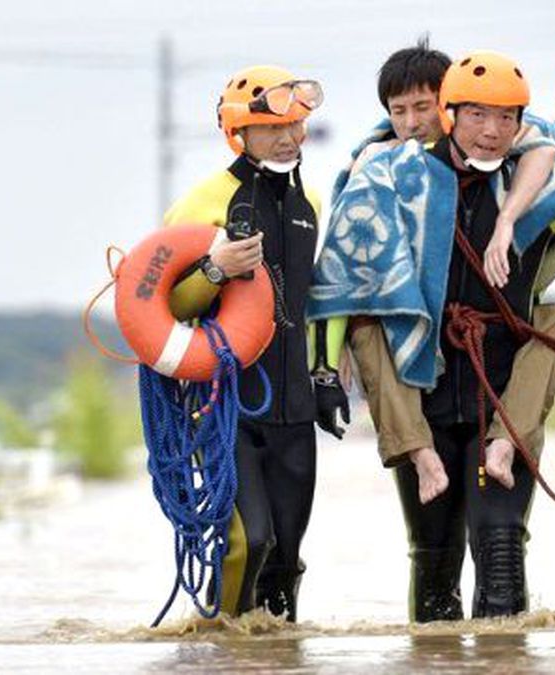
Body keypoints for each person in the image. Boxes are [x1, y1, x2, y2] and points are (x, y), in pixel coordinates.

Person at [307, 50, 555, 621]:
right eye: (476, 117)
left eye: (503, 118)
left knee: (501, 544)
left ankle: (502, 659)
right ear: (452, 111)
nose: (490, 131)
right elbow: (341, 276)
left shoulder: (538, 180)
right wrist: (322, 370)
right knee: (433, 557)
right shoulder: (384, 178)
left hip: (505, 386)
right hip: (424, 386)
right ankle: (436, 658)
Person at [163, 65, 341, 622]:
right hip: (228, 410)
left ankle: (276, 656)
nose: (290, 138)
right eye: (274, 128)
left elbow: (318, 303)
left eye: (297, 125)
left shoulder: (310, 200)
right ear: (239, 132)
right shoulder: (204, 203)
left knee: (286, 557)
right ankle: (226, 646)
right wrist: (214, 271)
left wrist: (325, 378)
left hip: (294, 409)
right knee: (250, 542)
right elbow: (169, 309)